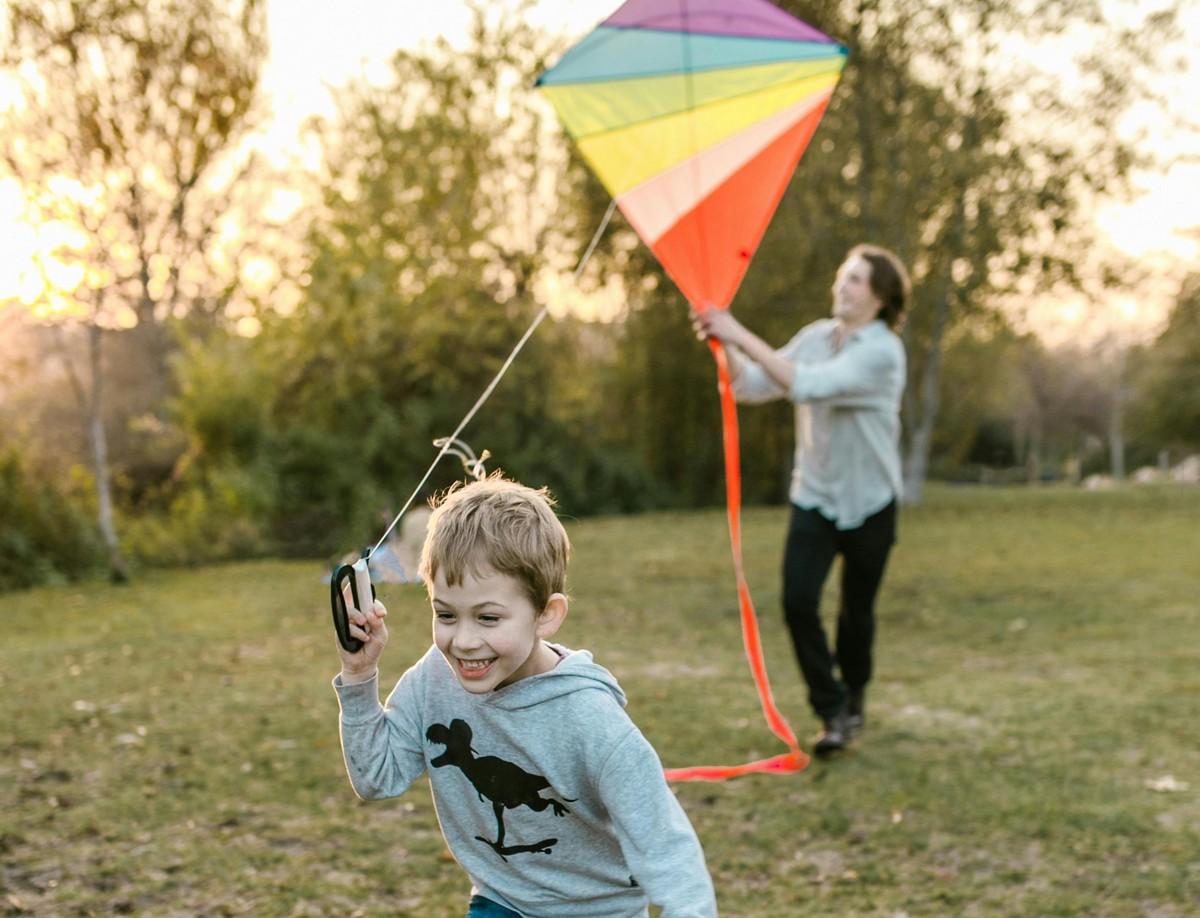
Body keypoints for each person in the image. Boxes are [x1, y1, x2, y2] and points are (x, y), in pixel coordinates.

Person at [333, 474, 718, 917]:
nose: (464, 641)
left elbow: (668, 852)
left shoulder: (592, 720)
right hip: (501, 901)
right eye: (445, 614)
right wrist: (359, 675)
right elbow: (376, 778)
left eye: (489, 617)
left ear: (546, 615)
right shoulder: (434, 679)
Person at [692, 244, 910, 757]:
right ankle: (832, 710)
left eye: (855, 279)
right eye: (842, 275)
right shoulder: (816, 337)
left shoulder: (882, 352)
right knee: (797, 602)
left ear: (879, 297)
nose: (842, 285)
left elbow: (808, 387)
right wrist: (721, 344)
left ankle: (853, 697)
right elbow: (752, 385)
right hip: (814, 495)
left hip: (872, 502)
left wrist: (736, 329)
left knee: (856, 613)